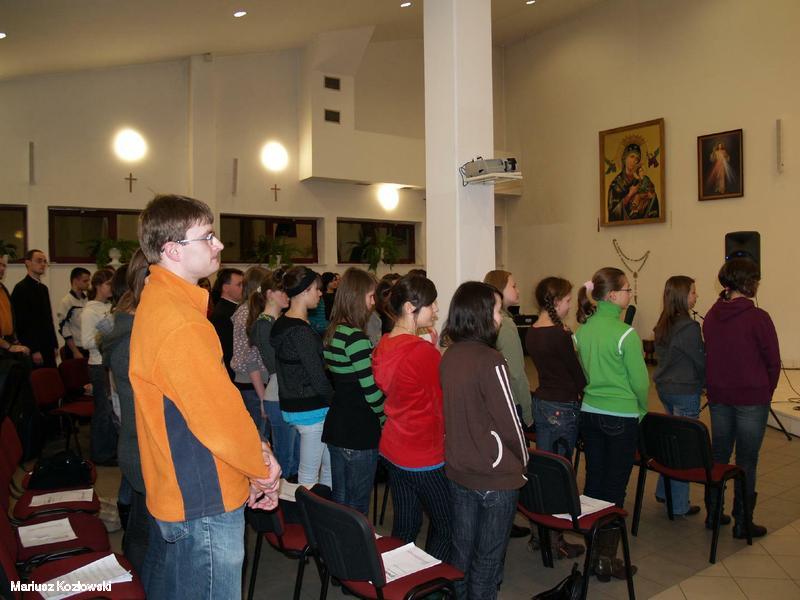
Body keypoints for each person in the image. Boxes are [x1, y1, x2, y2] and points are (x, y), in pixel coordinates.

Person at [129, 194, 279, 600]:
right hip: (202, 494)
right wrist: (261, 468)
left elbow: (206, 401)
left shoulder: (161, 302)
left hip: (183, 483)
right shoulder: (180, 321)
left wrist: (253, 457)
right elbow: (216, 417)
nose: (219, 244)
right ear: (173, 250)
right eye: (207, 237)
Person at [440, 281, 528, 600]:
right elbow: (510, 420)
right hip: (495, 476)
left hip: (459, 470)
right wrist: (524, 459)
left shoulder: (449, 355)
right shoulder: (491, 360)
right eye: (497, 310)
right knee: (487, 564)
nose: (500, 317)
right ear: (480, 314)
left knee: (461, 556)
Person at [575, 267, 647, 581]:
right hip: (621, 416)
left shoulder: (582, 331)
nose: (630, 294)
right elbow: (640, 382)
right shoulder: (625, 334)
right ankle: (605, 559)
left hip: (589, 412)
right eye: (627, 289)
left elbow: (583, 373)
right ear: (614, 295)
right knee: (615, 486)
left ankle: (592, 553)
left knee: (594, 482)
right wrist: (641, 408)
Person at [372, 275, 451, 561]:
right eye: (431, 304)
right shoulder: (421, 352)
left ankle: (398, 577)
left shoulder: (384, 344)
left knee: (406, 524)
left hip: (395, 447)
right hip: (423, 453)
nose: (437, 309)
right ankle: (432, 582)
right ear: (410, 307)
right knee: (448, 524)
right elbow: (440, 403)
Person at [703, 258, 779, 539]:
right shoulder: (759, 318)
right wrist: (765, 392)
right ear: (749, 283)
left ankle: (713, 514)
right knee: (746, 460)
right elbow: (773, 362)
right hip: (751, 399)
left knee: (719, 455)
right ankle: (742, 522)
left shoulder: (712, 315)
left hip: (720, 397)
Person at [526, 276, 587, 560]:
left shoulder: (532, 332)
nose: (570, 305)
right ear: (557, 301)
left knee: (544, 468)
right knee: (561, 473)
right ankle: (556, 539)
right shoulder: (560, 335)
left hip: (542, 402)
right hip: (562, 405)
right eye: (568, 300)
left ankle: (539, 533)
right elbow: (576, 373)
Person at [322, 267, 385, 515]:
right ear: (357, 298)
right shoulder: (356, 338)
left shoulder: (333, 331)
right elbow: (370, 391)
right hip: (359, 429)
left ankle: (336, 541)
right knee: (358, 506)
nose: (374, 302)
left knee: (340, 500)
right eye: (370, 296)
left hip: (337, 426)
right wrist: (385, 419)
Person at [103, 254, 151, 574]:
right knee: (146, 539)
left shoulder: (130, 329)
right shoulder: (134, 338)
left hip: (138, 445)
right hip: (144, 449)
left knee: (141, 528)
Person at [271, 266, 334, 487]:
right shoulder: (300, 331)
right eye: (317, 289)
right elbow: (317, 376)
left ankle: (326, 505)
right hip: (310, 408)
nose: (320, 293)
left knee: (329, 465)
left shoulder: (283, 322)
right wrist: (336, 401)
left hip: (295, 403)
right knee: (308, 475)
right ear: (305, 291)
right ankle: (311, 509)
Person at [652, 276, 705, 518]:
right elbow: (699, 361)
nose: (696, 296)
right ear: (683, 297)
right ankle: (679, 505)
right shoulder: (689, 328)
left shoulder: (663, 323)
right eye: (693, 292)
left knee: (671, 441)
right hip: (684, 390)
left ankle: (664, 491)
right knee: (683, 447)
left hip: (666, 388)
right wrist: (706, 383)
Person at [248, 268, 299, 480]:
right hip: (278, 395)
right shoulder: (263, 325)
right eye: (283, 291)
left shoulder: (278, 322)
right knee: (286, 460)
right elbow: (276, 363)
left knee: (294, 458)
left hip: (286, 393)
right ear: (270, 294)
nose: (288, 295)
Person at [483, 270, 532, 426]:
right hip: (511, 402)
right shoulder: (505, 324)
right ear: (500, 290)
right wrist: (528, 412)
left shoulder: (483, 319)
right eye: (514, 286)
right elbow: (516, 374)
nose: (518, 290)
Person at [81, 268, 117, 465]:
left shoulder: (110, 306)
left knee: (112, 409)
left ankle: (110, 449)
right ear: (97, 286)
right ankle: (100, 454)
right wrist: (107, 335)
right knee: (103, 410)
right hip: (97, 364)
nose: (111, 288)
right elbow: (86, 342)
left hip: (108, 363)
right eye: (108, 284)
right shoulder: (89, 311)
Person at [231, 267, 270, 437]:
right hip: (253, 385)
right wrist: (263, 398)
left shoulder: (253, 311)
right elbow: (250, 358)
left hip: (257, 383)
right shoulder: (247, 313)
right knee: (260, 438)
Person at [11, 249, 58, 368]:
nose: (43, 264)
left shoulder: (43, 288)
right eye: (39, 261)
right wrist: (34, 349)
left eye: (45, 261)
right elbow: (22, 323)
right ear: (28, 263)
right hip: (33, 349)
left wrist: (54, 345)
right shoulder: (21, 288)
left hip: (48, 346)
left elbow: (48, 320)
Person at [607, 143, 660, 222]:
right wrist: (629, 195)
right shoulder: (616, 184)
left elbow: (653, 201)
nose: (634, 161)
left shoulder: (643, 179)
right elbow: (613, 213)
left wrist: (649, 195)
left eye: (637, 159)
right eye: (632, 156)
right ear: (624, 158)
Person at [209, 267, 244, 381]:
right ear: (225, 288)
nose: (243, 288)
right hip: (232, 375)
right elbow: (227, 350)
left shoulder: (234, 309)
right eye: (239, 285)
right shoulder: (222, 314)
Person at [0, 255, 30, 359]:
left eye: (4, 265)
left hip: (7, 343)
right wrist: (9, 347)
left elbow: (10, 317)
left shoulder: (3, 289)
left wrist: (15, 340)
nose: (2, 268)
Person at [57, 267, 91, 359]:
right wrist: (75, 351)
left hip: (88, 346)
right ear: (75, 281)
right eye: (85, 281)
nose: (88, 283)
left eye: (88, 280)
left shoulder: (88, 300)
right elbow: (64, 329)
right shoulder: (66, 301)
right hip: (75, 349)